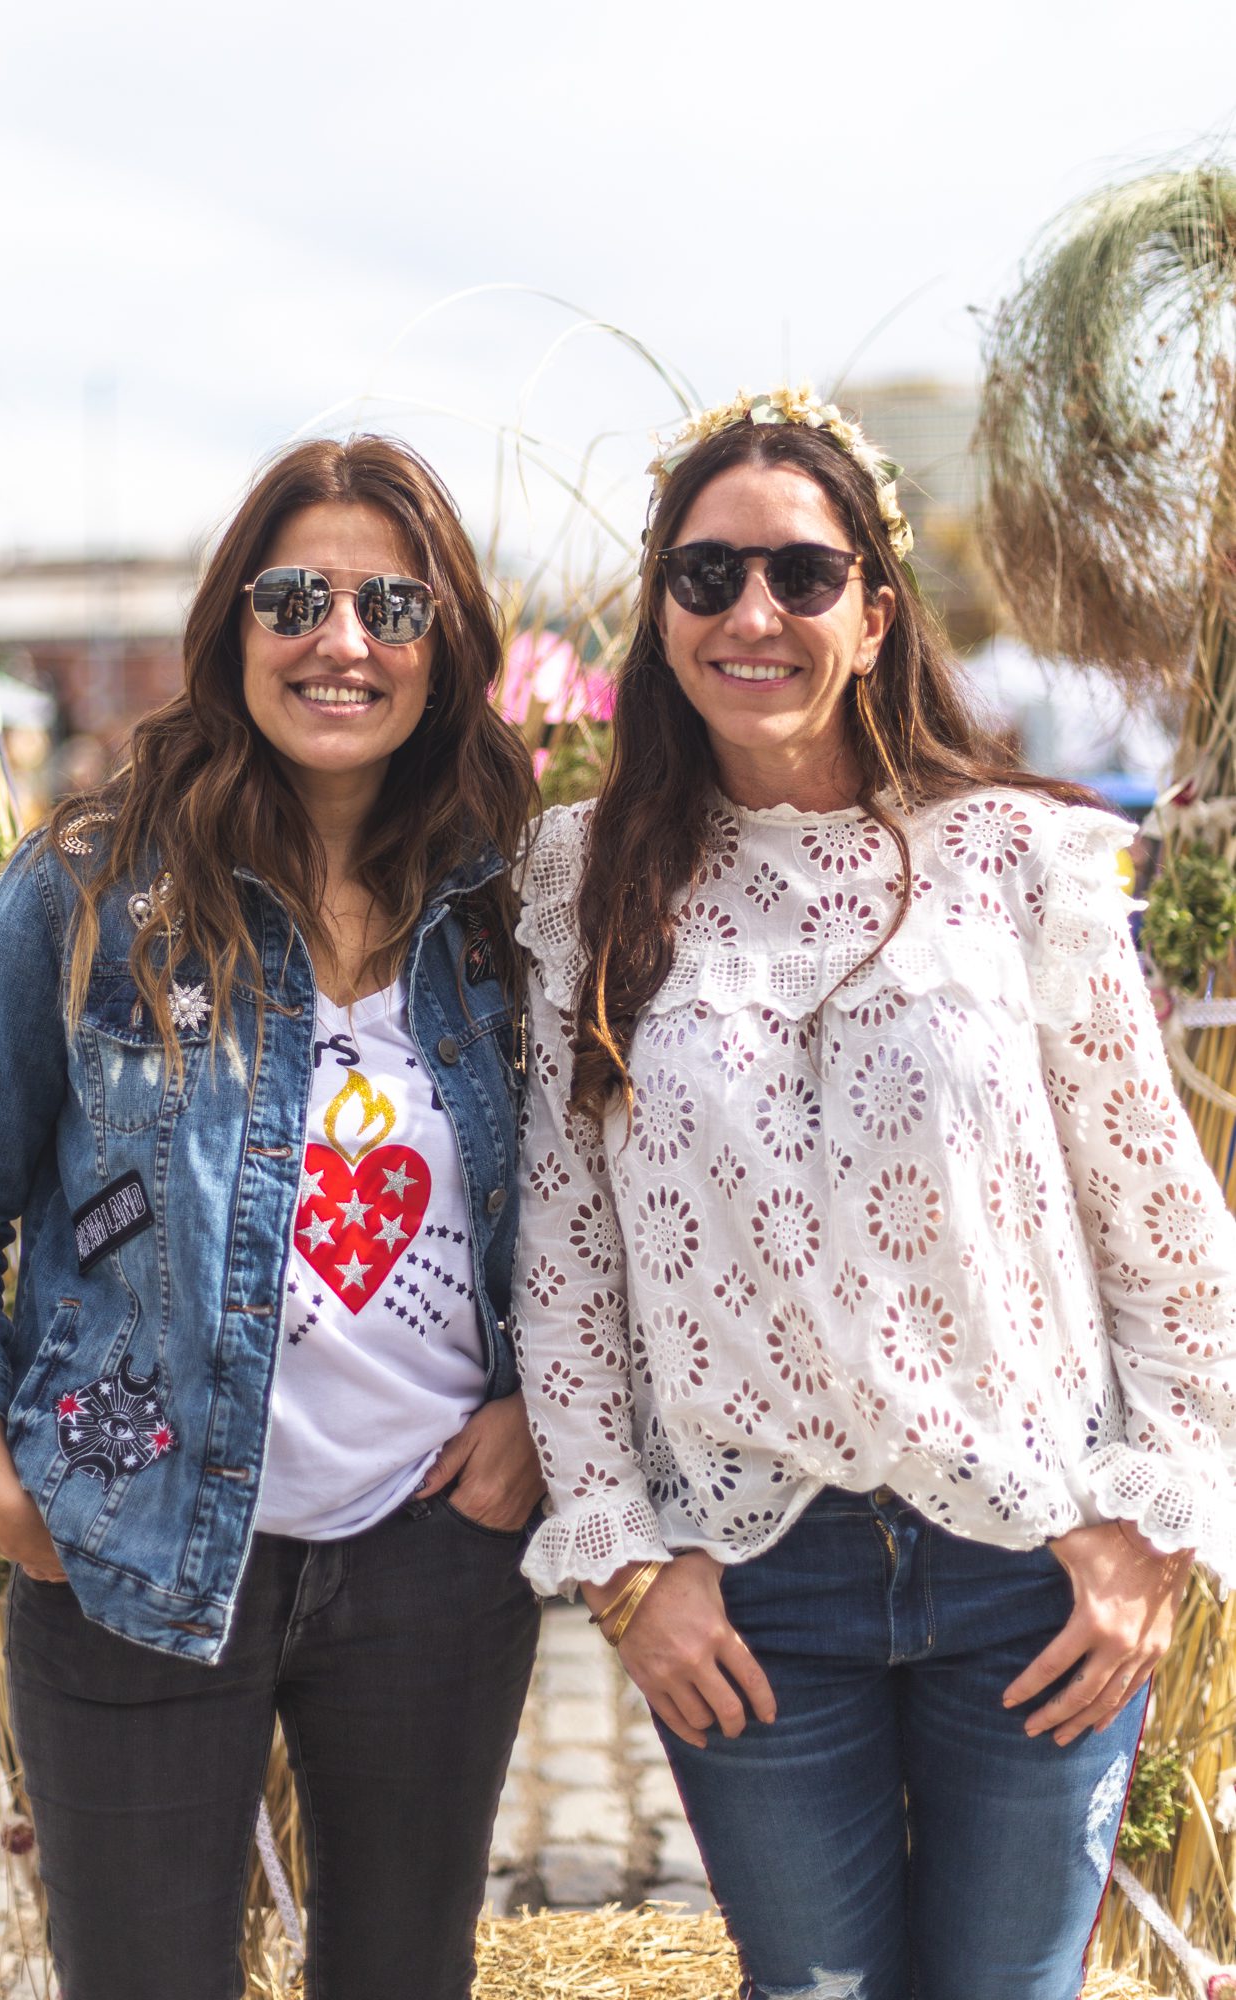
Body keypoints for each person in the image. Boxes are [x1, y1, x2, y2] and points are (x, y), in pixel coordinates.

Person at [512, 385, 1236, 2000]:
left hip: (1032, 1564)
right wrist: (627, 1567)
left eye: (801, 573)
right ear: (659, 612)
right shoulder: (583, 878)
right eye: (705, 575)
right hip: (751, 1585)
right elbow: (563, 1264)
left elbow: (1162, 1223)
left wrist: (1150, 1529)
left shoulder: (1017, 858)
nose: (751, 613)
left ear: (875, 610)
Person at [0, 436, 544, 2000]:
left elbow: (584, 1211)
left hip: (429, 1562)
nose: (342, 639)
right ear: (231, 625)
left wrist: (537, 1408)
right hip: (125, 1544)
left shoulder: (509, 906)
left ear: (445, 645)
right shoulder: (88, 891)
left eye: (392, 605)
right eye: (294, 598)